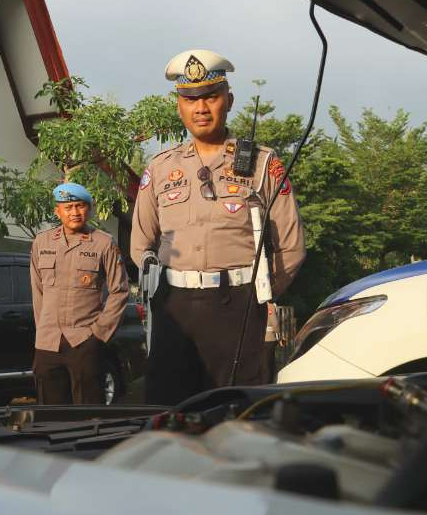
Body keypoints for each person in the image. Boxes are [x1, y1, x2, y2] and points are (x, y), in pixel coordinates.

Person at [130, 49, 306, 405]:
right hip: (174, 309)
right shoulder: (161, 167)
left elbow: (291, 245)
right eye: (190, 99)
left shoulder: (261, 163)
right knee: (169, 415)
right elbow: (140, 242)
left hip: (239, 307)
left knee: (237, 414)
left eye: (210, 96)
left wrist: (260, 293)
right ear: (178, 105)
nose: (200, 107)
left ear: (229, 100)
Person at [30, 183, 129, 405]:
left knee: (89, 413)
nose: (75, 212)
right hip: (48, 342)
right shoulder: (41, 242)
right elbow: (37, 290)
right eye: (68, 207)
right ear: (57, 211)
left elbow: (119, 291)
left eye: (80, 206)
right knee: (50, 414)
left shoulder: (104, 243)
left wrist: (99, 335)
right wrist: (43, 328)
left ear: (89, 209)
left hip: (85, 341)